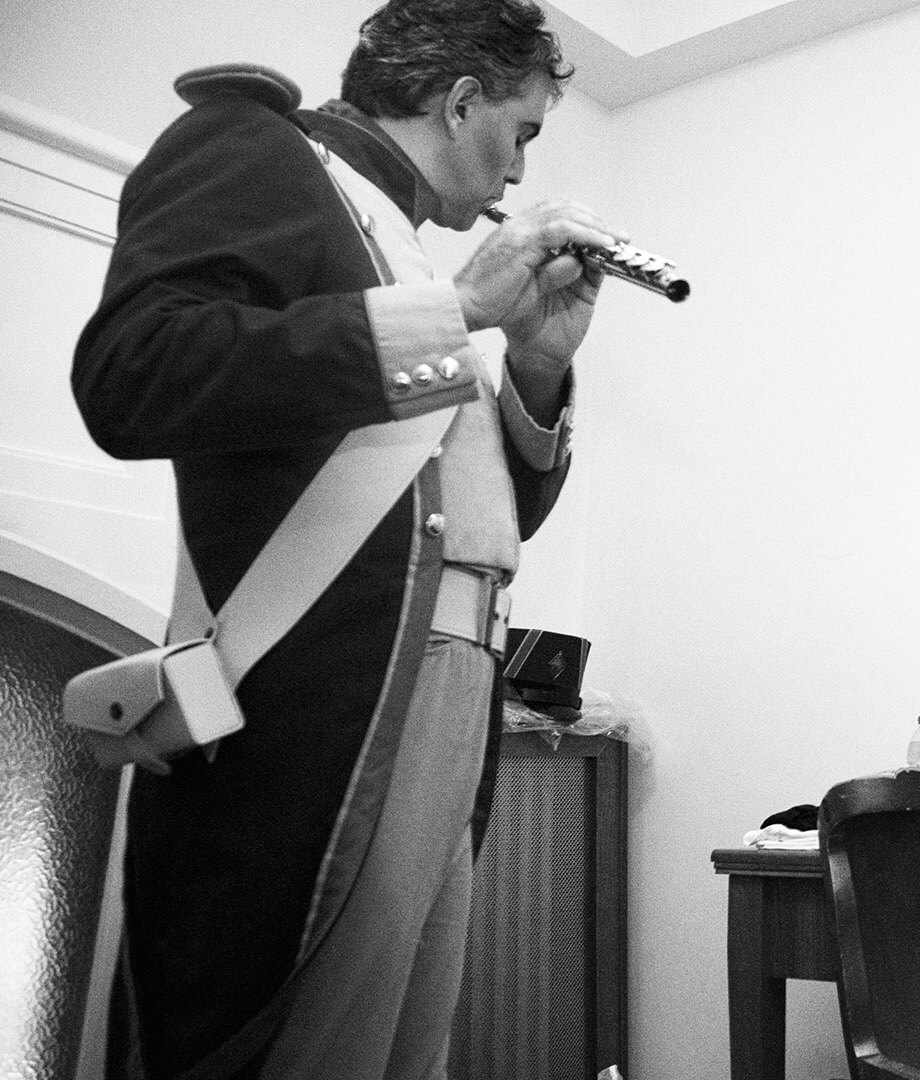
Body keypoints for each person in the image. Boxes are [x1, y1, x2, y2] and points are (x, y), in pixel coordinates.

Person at [69, 2, 623, 1076]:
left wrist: (538, 366)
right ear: (461, 103)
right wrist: (453, 309)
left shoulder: (414, 256)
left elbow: (471, 521)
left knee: (399, 1051)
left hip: (454, 695)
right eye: (522, 130)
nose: (518, 168)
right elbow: (133, 373)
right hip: (328, 699)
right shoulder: (255, 148)